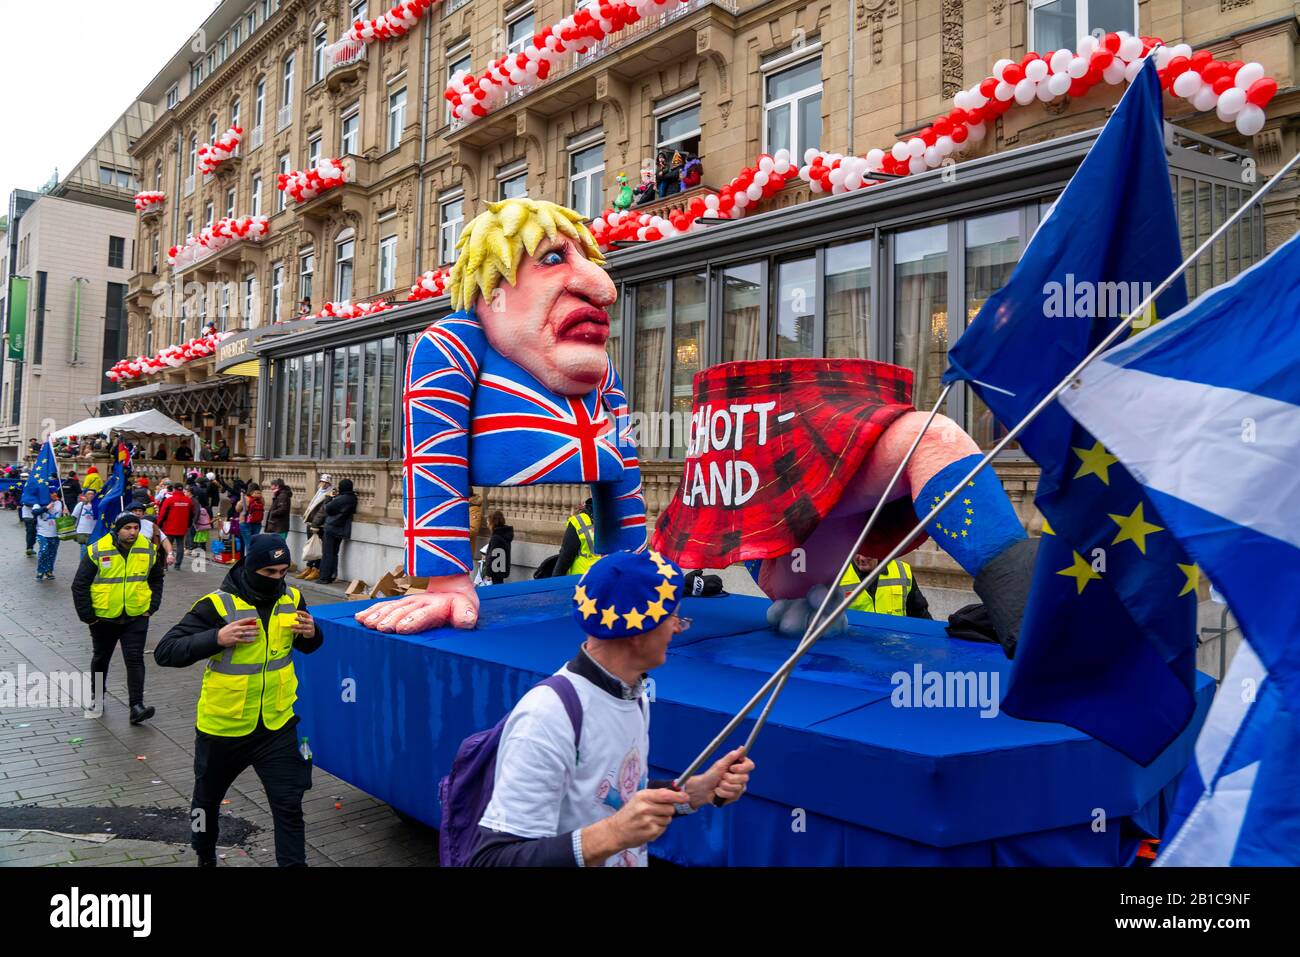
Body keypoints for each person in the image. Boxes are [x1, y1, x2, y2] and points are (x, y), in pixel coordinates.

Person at [471, 550, 755, 866]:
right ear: (638, 631)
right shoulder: (548, 716)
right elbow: (491, 859)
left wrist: (696, 792)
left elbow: (616, 797)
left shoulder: (632, 693)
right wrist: (611, 835)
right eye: (673, 617)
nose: (678, 628)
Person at [154, 534, 324, 867]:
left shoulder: (293, 597)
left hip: (276, 725)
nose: (277, 579)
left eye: (283, 571)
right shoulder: (216, 605)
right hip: (223, 728)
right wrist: (216, 638)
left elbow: (308, 645)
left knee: (289, 805)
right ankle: (204, 855)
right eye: (269, 572)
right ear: (249, 567)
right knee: (206, 803)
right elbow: (166, 652)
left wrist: (313, 633)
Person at [71, 512, 165, 724]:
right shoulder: (97, 549)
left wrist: (152, 606)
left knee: (135, 659)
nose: (133, 532)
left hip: (136, 615)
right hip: (103, 617)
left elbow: (157, 579)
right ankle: (97, 697)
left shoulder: (148, 549)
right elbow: (79, 585)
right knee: (101, 658)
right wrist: (88, 616)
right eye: (127, 528)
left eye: (136, 527)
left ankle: (136, 706)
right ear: (117, 529)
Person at [839, 554, 932, 619]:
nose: (862, 558)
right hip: (853, 644)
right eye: (858, 550)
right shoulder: (836, 574)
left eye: (868, 552)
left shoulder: (902, 571)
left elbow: (920, 614)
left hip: (893, 644)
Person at [316, 478, 356, 585]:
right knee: (334, 553)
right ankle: (333, 575)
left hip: (331, 527)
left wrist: (329, 498)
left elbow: (328, 508)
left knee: (327, 553)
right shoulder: (353, 498)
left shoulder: (341, 498)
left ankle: (324, 577)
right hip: (342, 529)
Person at [295, 474, 332, 581]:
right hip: (311, 522)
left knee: (317, 547)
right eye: (321, 481)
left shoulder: (330, 493)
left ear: (328, 483)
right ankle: (309, 567)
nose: (322, 484)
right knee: (310, 546)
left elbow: (323, 511)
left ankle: (316, 568)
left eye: (324, 482)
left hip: (318, 524)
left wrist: (315, 524)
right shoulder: (320, 491)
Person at [554, 498, 600, 577]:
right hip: (608, 576)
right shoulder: (617, 517)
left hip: (582, 579)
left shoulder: (578, 521)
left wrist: (554, 581)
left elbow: (566, 556)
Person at [158, 483, 195, 572]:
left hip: (169, 527)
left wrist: (159, 524)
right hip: (182, 527)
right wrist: (188, 525)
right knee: (180, 546)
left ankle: (165, 565)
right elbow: (191, 514)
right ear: (182, 489)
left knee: (167, 546)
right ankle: (177, 565)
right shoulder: (188, 501)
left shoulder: (169, 500)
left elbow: (162, 514)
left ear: (174, 489)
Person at [33, 497, 64, 580]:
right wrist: (46, 508)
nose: (54, 494)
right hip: (42, 533)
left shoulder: (60, 503)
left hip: (55, 533)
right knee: (43, 550)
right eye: (51, 492)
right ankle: (40, 571)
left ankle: (49, 571)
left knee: (52, 553)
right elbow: (35, 512)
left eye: (55, 492)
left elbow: (63, 515)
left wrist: (66, 512)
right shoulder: (38, 503)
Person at [485, 511, 513, 585]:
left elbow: (493, 557)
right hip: (499, 570)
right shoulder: (503, 535)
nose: (487, 525)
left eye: (488, 522)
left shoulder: (496, 538)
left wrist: (488, 572)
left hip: (495, 572)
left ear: (492, 523)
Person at [239, 482, 265, 557]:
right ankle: (255, 560)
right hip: (257, 522)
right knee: (254, 543)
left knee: (248, 544)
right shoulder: (261, 498)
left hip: (245, 522)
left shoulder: (246, 498)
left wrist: (241, 498)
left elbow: (238, 509)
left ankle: (249, 563)